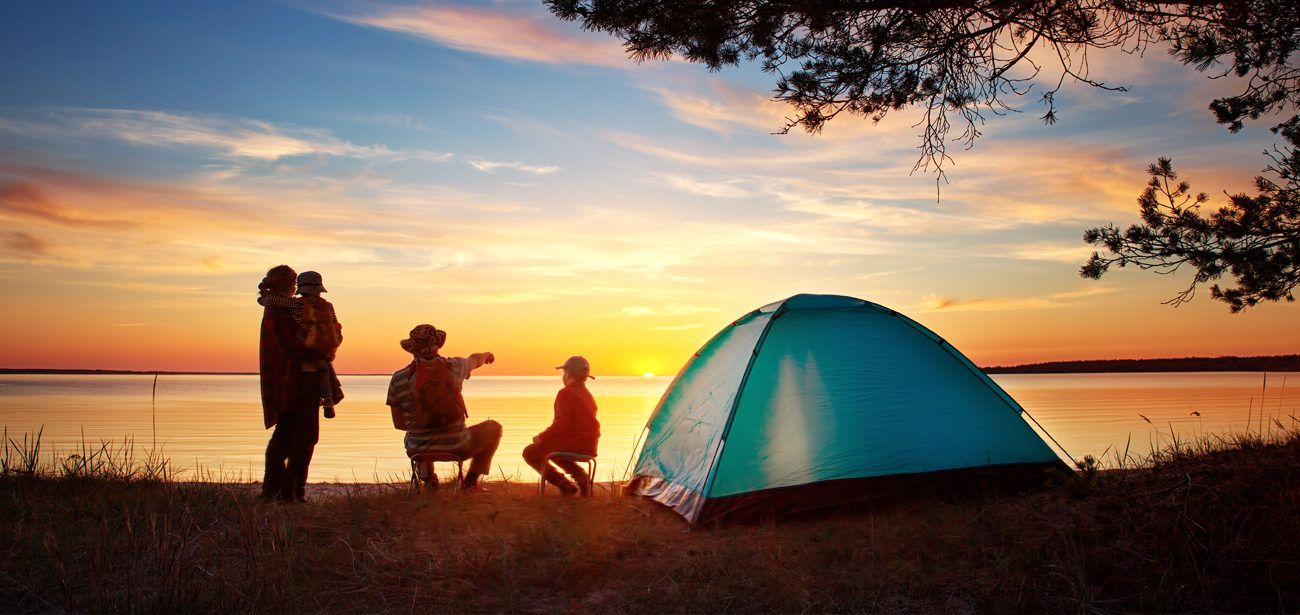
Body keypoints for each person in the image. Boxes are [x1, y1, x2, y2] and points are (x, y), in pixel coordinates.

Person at [258, 265, 342, 503]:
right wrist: (321, 354)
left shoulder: (289, 307)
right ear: (290, 284)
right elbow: (290, 347)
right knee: (297, 437)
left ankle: (285, 491)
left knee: (291, 436)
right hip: (296, 380)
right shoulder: (280, 309)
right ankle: (286, 492)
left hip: (303, 379)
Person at [386, 323, 500, 491]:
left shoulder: (398, 378)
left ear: (412, 349)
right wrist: (487, 355)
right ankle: (470, 482)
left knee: (415, 432)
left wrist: (425, 426)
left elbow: (399, 424)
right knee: (494, 428)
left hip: (418, 449)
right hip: (457, 446)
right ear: (437, 345)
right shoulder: (456, 366)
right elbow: (474, 359)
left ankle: (428, 479)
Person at [257, 270, 343, 418]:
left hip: (306, 351)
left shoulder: (294, 304)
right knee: (325, 369)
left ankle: (329, 399)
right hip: (323, 352)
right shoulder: (328, 306)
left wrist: (264, 293)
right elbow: (337, 329)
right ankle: (330, 398)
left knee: (323, 369)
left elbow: (271, 300)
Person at [524, 356, 600, 496]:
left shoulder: (566, 393)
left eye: (563, 373)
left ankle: (564, 485)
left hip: (573, 444)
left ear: (569, 374)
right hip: (589, 445)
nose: (563, 376)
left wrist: (542, 437)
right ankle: (579, 476)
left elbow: (562, 423)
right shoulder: (588, 395)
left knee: (530, 452)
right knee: (552, 446)